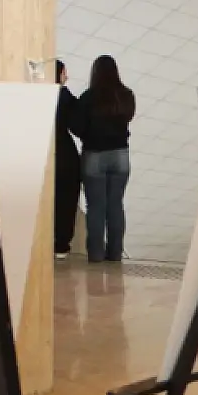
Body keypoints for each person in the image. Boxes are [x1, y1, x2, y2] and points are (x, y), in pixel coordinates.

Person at [69, 55, 136, 263]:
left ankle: (96, 255)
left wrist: (89, 135)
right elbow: (128, 117)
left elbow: (75, 125)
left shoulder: (88, 97)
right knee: (116, 204)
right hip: (120, 155)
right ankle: (115, 253)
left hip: (94, 155)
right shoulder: (126, 95)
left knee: (96, 207)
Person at [53, 60, 82, 258]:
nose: (67, 77)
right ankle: (61, 244)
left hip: (42, 151)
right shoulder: (65, 97)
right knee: (66, 199)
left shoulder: (33, 96)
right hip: (65, 153)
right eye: (65, 73)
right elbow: (78, 126)